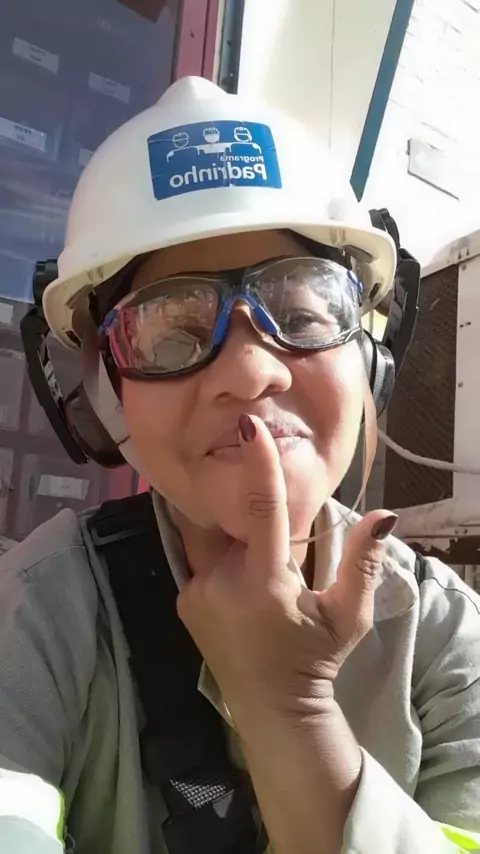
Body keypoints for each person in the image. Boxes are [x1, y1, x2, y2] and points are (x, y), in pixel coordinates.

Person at [0, 75, 479, 854]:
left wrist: (289, 711)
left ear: (371, 360)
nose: (253, 371)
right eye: (172, 334)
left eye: (302, 312)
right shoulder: (38, 615)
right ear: (106, 400)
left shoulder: (446, 635)